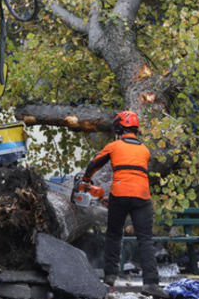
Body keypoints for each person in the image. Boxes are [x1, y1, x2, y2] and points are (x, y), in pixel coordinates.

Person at [80, 111, 167, 298]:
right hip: (142, 197)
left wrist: (86, 180)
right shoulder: (144, 150)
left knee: (113, 234)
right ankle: (151, 283)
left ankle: (110, 277)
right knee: (145, 239)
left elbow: (94, 163)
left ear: (119, 128)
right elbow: (133, 176)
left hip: (120, 194)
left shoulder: (114, 146)